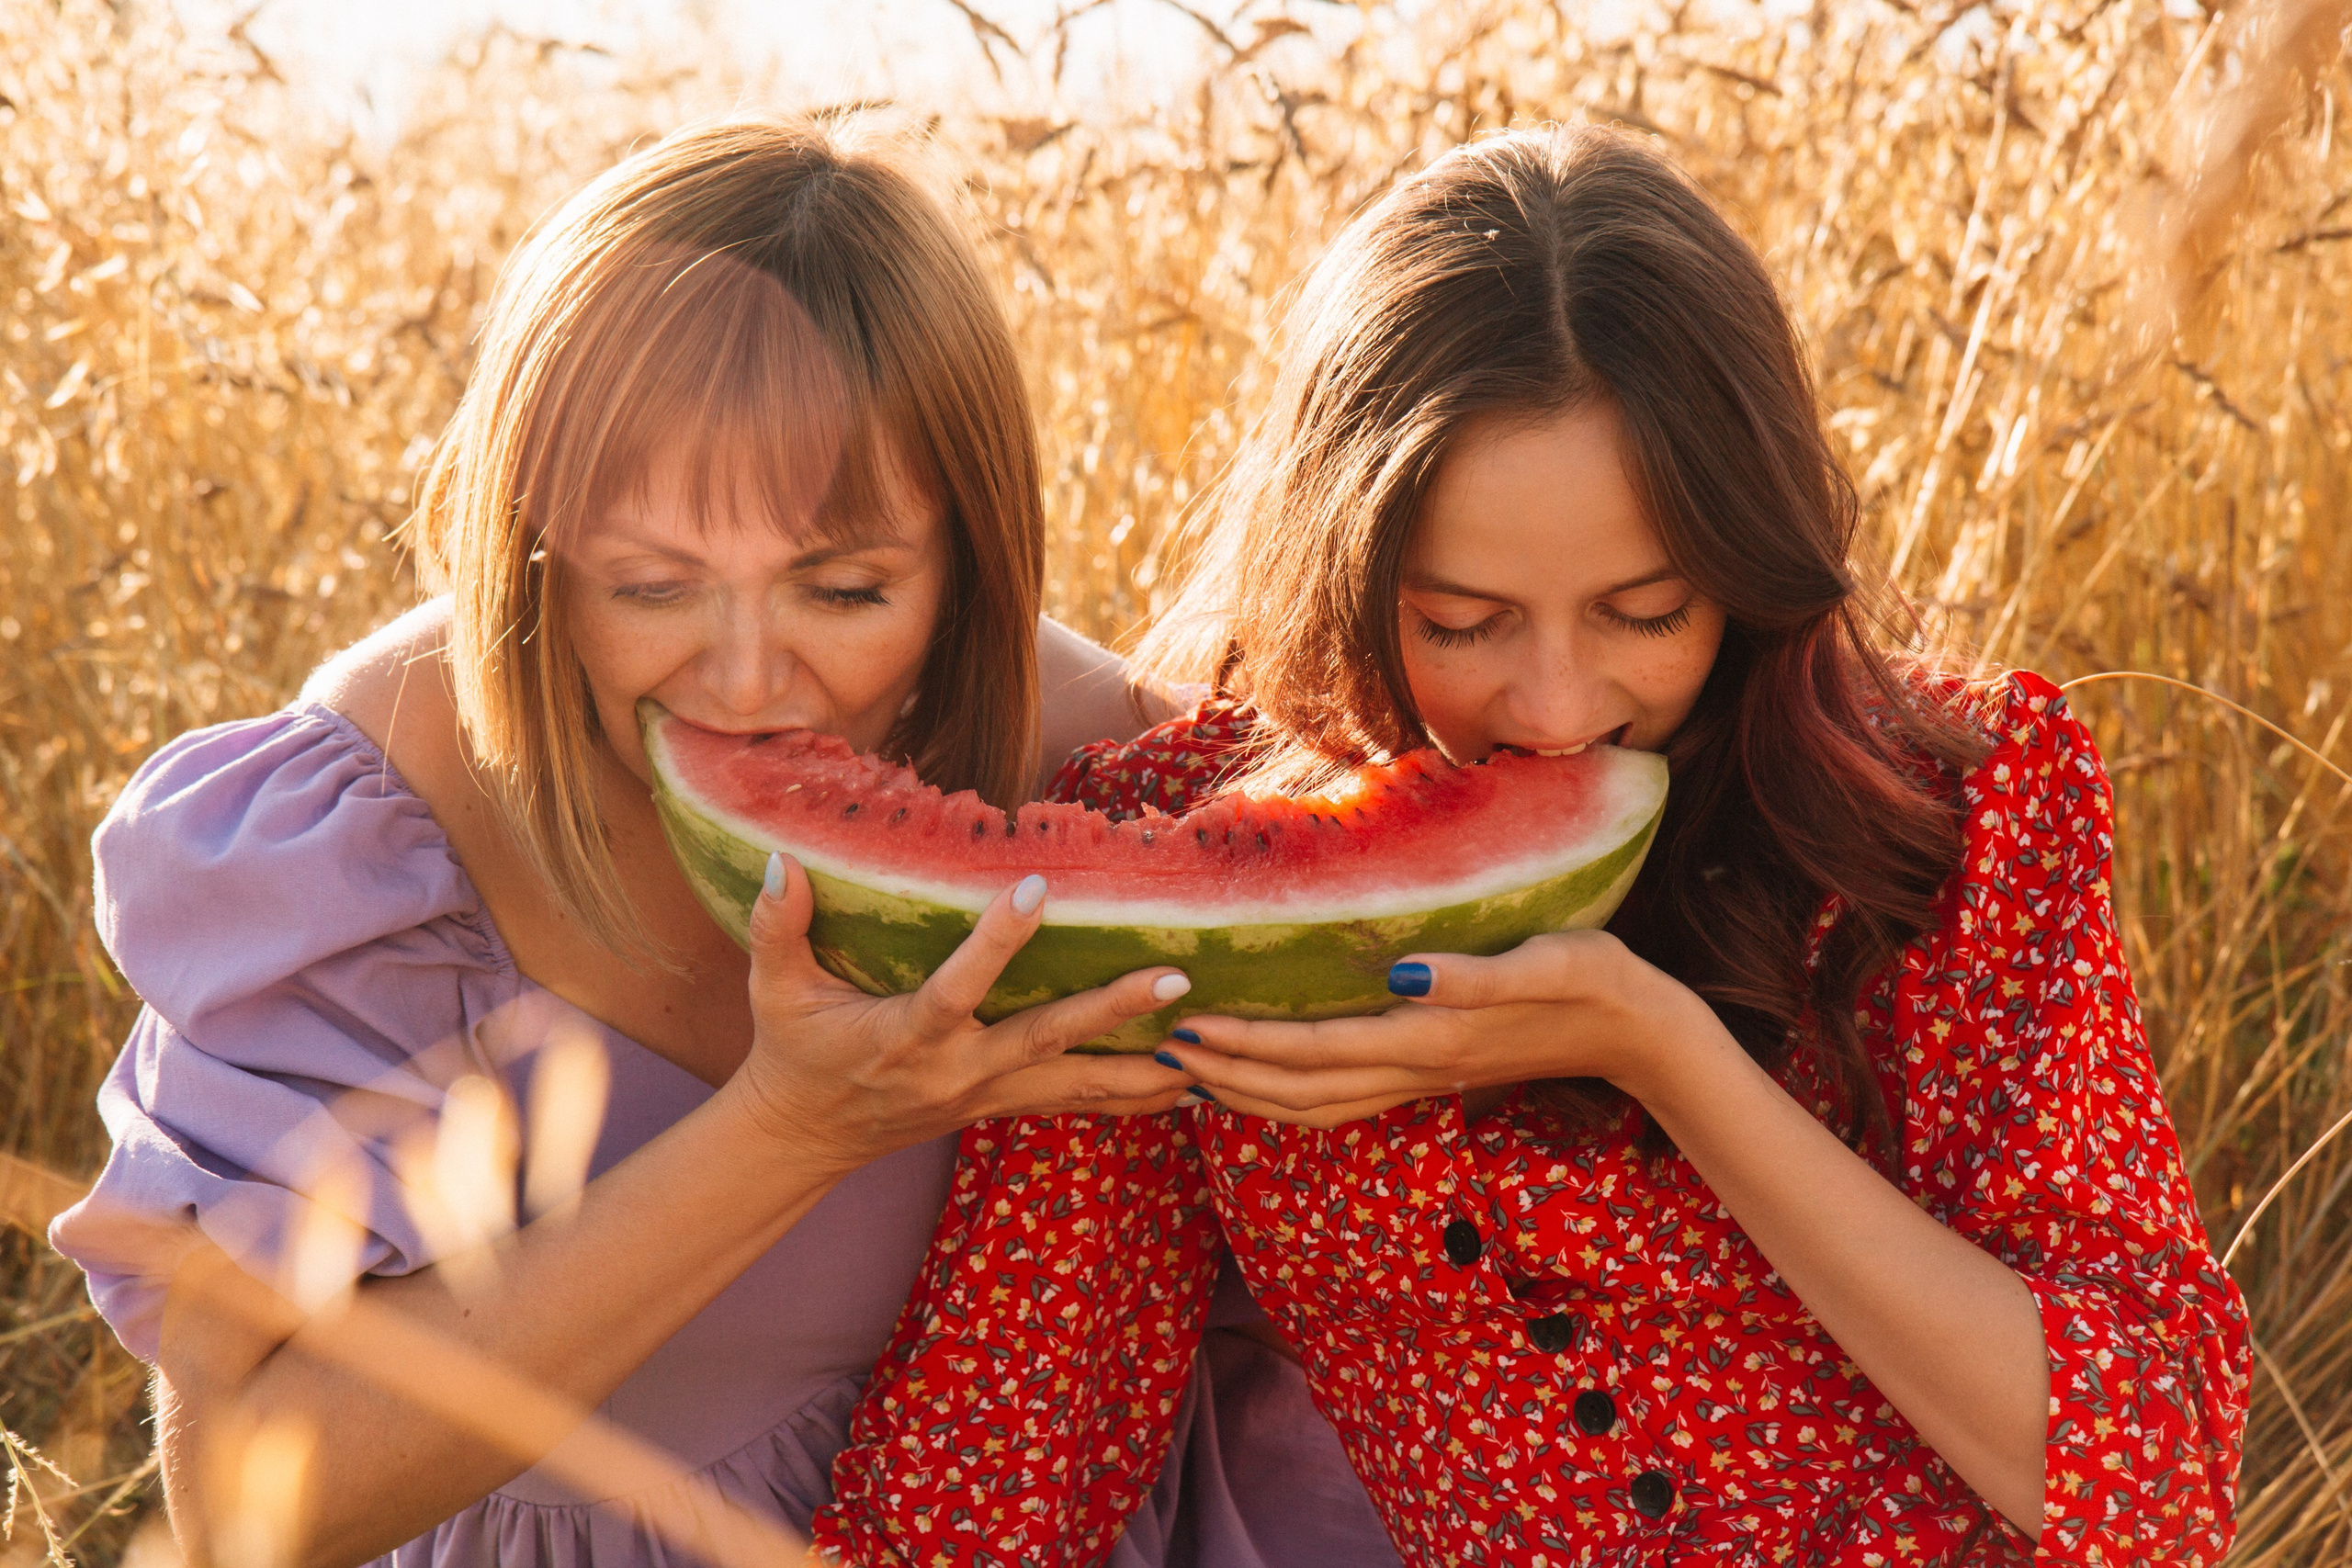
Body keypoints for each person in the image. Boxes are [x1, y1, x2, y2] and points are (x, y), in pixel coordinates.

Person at [814, 124, 2253, 1567]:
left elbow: (2155, 1488)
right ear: (1345, 573)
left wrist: (1665, 1054)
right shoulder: (1187, 867)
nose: (1558, 709)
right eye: (1461, 623)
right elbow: (985, 1472)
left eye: (1645, 614)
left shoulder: (1956, 802)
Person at [47, 117, 1400, 1568]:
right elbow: (249, 1503)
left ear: (969, 556)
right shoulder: (367, 820)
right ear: (533, 554)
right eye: (652, 585)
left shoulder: (1109, 769)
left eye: (842, 589)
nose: (747, 680)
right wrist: (794, 1131)